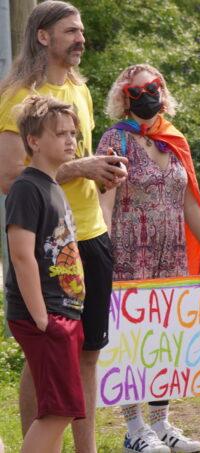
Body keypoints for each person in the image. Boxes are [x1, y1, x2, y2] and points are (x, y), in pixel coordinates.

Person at [0, 2, 128, 451]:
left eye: (82, 31)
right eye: (71, 31)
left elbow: (77, 164)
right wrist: (83, 167)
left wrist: (105, 175)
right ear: (42, 36)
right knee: (42, 358)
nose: (81, 39)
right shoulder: (18, 99)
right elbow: (10, 176)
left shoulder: (80, 90)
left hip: (91, 237)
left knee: (88, 353)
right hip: (46, 249)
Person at [97, 63, 200, 453]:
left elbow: (191, 203)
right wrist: (100, 250)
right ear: (124, 99)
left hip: (171, 254)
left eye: (153, 87)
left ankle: (162, 422)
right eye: (137, 91)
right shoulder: (114, 141)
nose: (147, 96)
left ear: (164, 90)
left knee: (165, 337)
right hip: (128, 254)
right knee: (132, 341)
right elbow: (103, 199)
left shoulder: (173, 141)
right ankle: (135, 428)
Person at [5, 95, 87, 453]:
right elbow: (22, 256)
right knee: (60, 411)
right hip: (46, 316)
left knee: (55, 409)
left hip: (63, 313)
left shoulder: (54, 186)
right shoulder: (27, 188)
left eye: (73, 133)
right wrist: (42, 319)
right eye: (60, 134)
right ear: (34, 141)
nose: (70, 140)